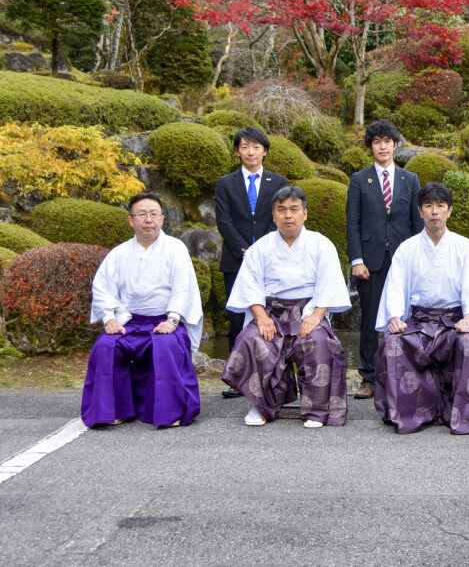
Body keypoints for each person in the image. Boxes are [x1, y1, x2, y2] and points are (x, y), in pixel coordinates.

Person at [222, 186, 351, 428]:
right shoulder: (260, 247)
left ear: (305, 213)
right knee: (252, 339)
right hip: (271, 311)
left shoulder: (321, 244)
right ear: (273, 215)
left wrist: (316, 315)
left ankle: (317, 411)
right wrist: (260, 317)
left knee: (320, 341)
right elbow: (249, 285)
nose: (288, 215)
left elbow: (329, 282)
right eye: (281, 210)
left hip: (309, 310)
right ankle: (260, 405)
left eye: (294, 209)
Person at [374, 182, 469, 435]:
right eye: (428, 206)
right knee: (394, 345)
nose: (434, 211)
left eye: (440, 205)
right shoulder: (407, 248)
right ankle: (408, 413)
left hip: (454, 320)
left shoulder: (464, 246)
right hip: (418, 320)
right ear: (420, 211)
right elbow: (395, 286)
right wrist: (396, 317)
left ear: (449, 211)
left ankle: (465, 415)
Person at [82, 192, 203, 428]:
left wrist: (173, 320)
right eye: (142, 214)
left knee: (166, 345)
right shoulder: (118, 253)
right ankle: (116, 409)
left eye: (154, 214)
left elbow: (183, 287)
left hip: (165, 319)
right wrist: (109, 318)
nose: (148, 219)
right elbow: (103, 287)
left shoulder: (176, 248)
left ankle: (172, 411)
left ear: (162, 219)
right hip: (130, 321)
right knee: (107, 346)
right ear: (131, 220)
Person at [346, 119, 423, 400]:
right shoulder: (359, 180)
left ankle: (405, 372)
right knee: (369, 320)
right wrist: (356, 259)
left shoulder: (409, 179)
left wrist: (418, 259)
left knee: (406, 316)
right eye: (376, 142)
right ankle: (368, 377)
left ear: (395, 145)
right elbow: (352, 223)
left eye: (387, 141)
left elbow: (417, 223)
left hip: (403, 259)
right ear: (371, 147)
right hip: (371, 260)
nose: (382, 146)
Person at [214, 126, 288, 399]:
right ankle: (237, 378)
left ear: (264, 150)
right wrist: (243, 249)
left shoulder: (278, 181)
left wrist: (260, 250)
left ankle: (271, 374)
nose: (250, 152)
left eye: (256, 147)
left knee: (272, 315)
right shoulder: (226, 183)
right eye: (245, 147)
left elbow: (279, 216)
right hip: (236, 258)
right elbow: (224, 220)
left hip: (271, 258)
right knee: (237, 320)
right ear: (237, 151)